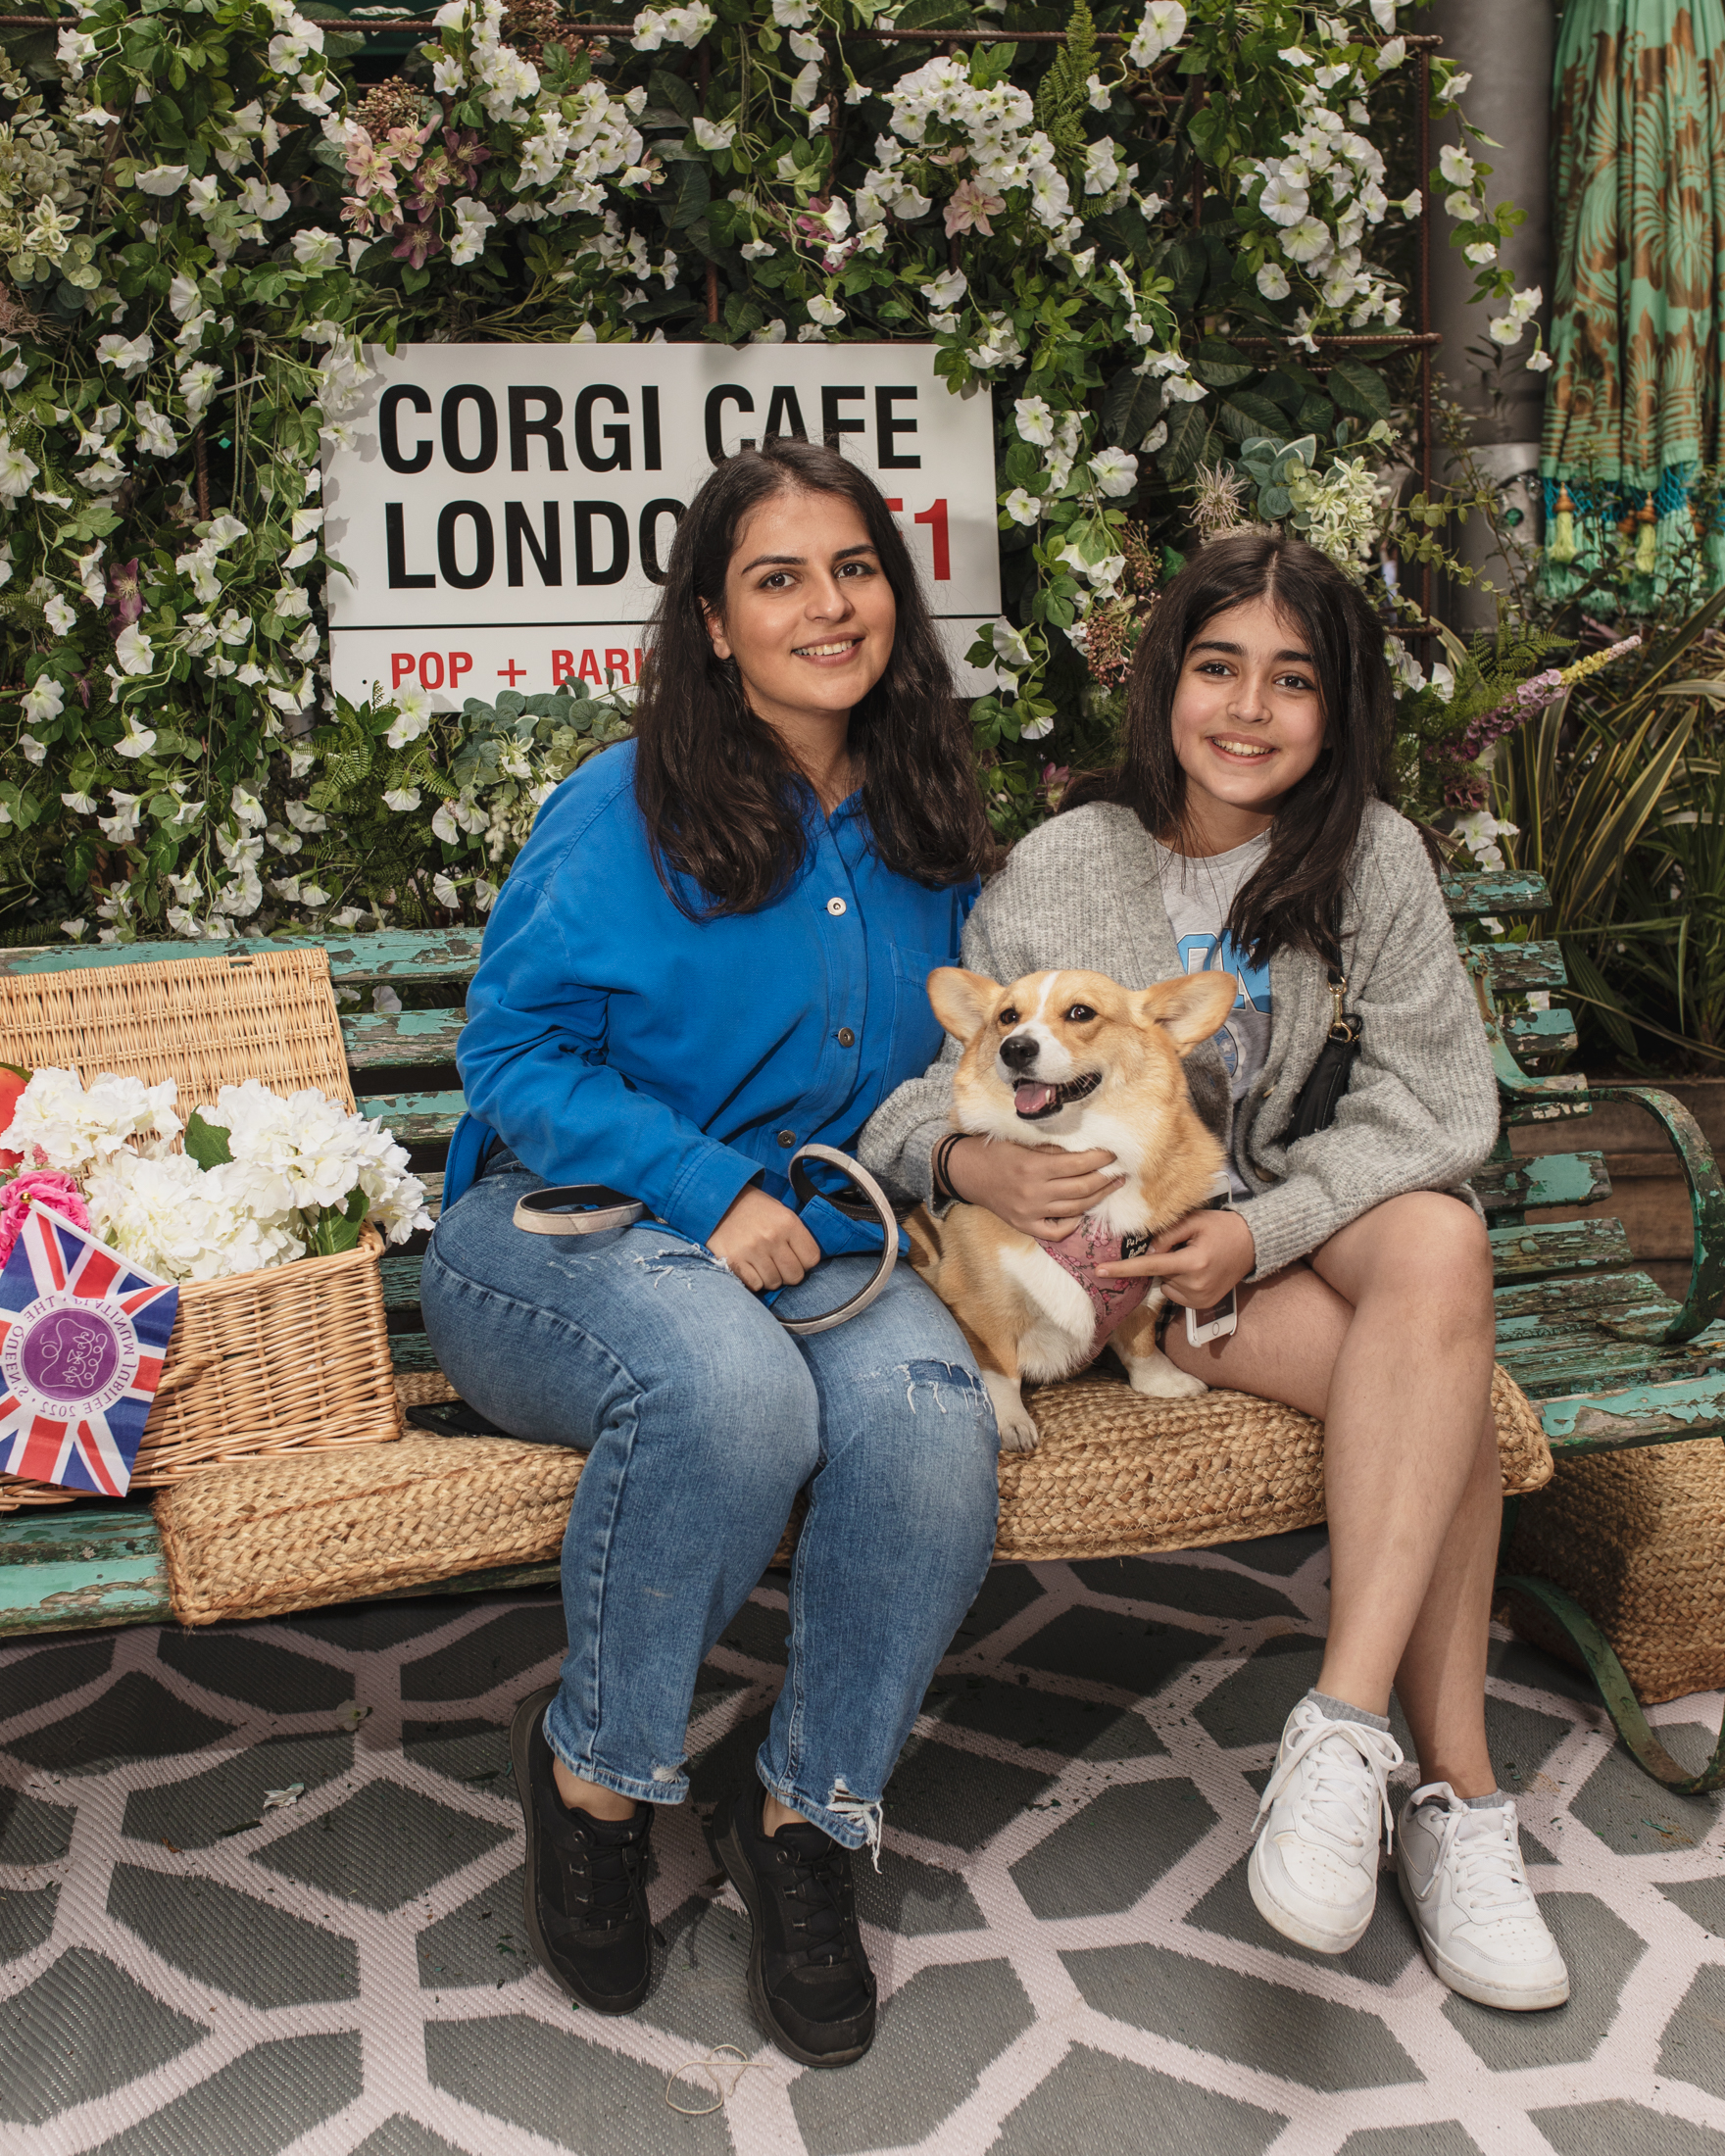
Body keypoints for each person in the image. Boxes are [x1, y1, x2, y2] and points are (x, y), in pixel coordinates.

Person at [862, 531, 1570, 2014]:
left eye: (1293, 679)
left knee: (1438, 1233)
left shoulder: (1368, 856)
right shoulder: (1070, 864)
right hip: (1126, 1273)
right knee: (1447, 1409)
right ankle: (1461, 1807)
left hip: (1271, 1236)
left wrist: (1272, 1221)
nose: (1250, 710)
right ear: (1167, 685)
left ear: (1340, 706)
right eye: (1218, 667)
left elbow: (1440, 1108)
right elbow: (939, 1088)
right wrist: (973, 1163)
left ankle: (1337, 1736)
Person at [419, 439, 1001, 2068]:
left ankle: (805, 1815)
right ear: (712, 619)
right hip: (559, 1238)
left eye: (857, 567)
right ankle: (596, 1774)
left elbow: (949, 1065)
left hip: (822, 1244)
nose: (830, 605)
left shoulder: (928, 804)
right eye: (779, 577)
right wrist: (701, 1185)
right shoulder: (620, 805)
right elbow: (513, 1055)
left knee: (931, 1429)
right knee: (738, 1398)